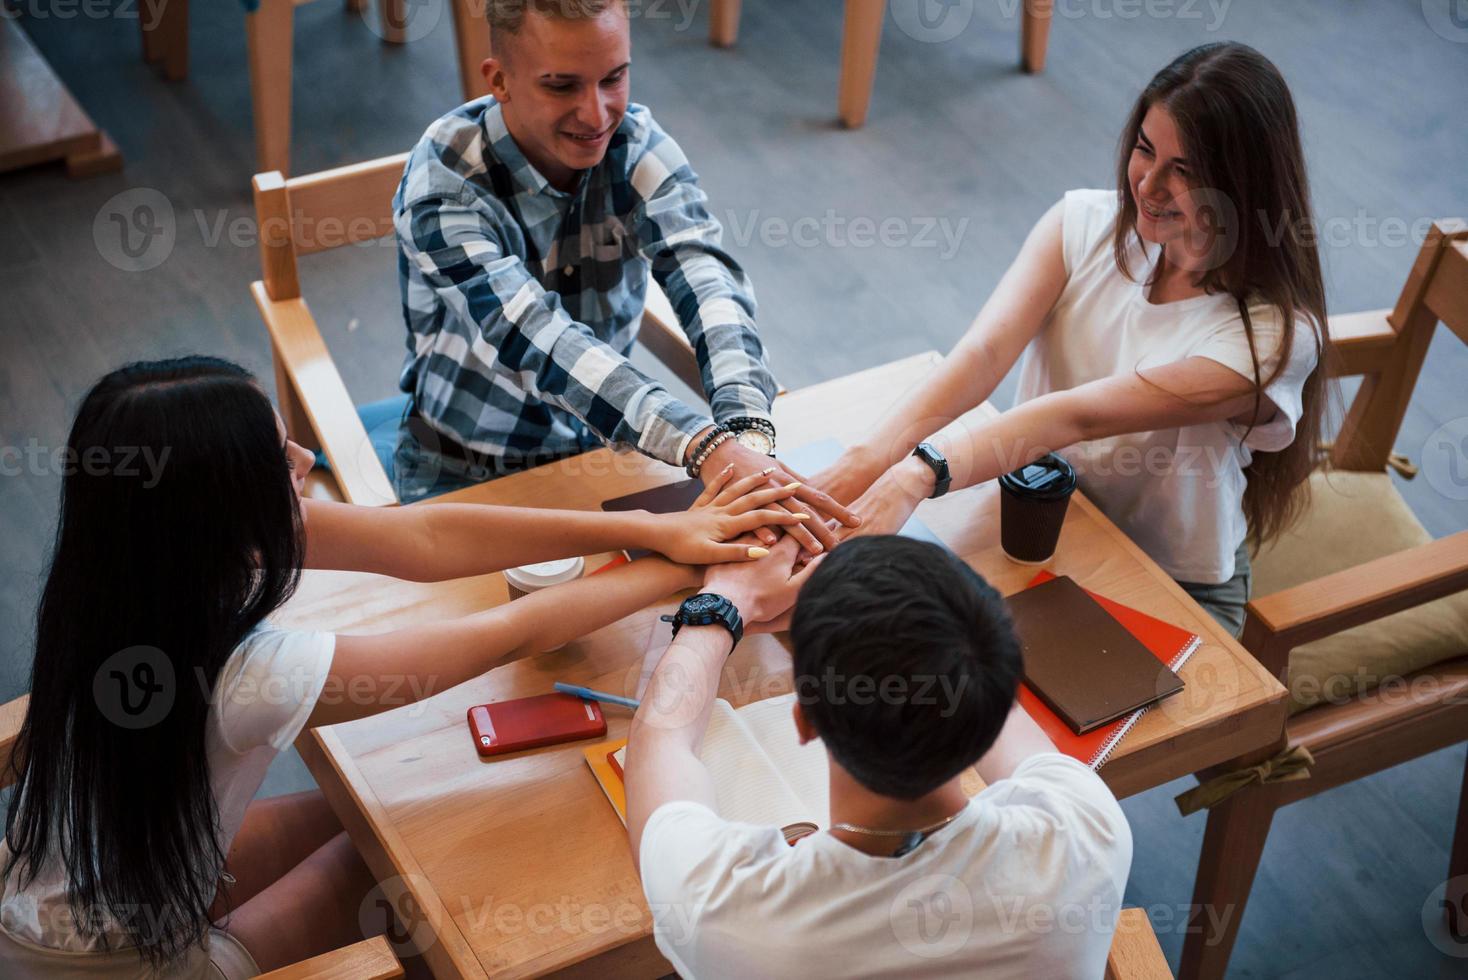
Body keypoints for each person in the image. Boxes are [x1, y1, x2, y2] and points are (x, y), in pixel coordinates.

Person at [0, 356, 795, 978]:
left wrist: (664, 535)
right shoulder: (247, 671)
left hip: (64, 889)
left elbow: (425, 539)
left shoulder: (130, 566)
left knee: (392, 810)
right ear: (226, 504)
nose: (308, 458)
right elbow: (510, 631)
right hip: (117, 968)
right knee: (414, 863)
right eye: (282, 456)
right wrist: (706, 575)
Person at [816, 42, 1328, 637]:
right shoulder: (1081, 223)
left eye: (1185, 171)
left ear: (1242, 185)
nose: (1150, 185)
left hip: (1172, 583)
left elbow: (1076, 417)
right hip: (1038, 524)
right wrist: (864, 460)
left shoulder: (1272, 336)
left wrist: (915, 474)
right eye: (1144, 149)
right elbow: (983, 356)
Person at [393, 0, 858, 555]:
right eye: (561, 86)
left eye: (613, 78)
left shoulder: (636, 143)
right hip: (466, 469)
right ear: (499, 80)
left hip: (610, 449)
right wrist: (707, 447)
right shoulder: (442, 186)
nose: (596, 116)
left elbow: (706, 277)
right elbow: (535, 337)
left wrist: (746, 429)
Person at [624, 535, 1132, 978]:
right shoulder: (1088, 830)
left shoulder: (726, 910)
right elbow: (987, 692)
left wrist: (725, 602)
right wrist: (887, 609)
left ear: (804, 720)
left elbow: (661, 740)